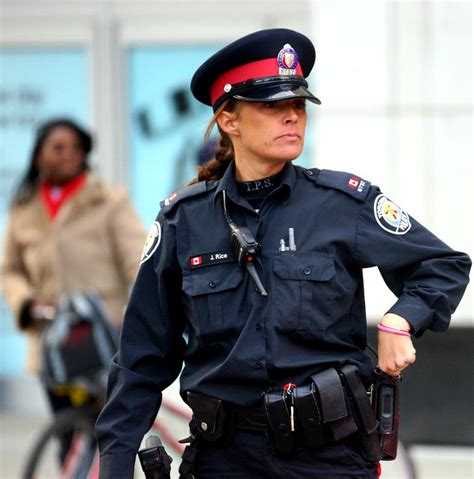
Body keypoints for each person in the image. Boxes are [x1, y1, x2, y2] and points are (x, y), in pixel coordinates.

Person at [95, 28, 471, 478]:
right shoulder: (183, 222)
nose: (292, 117)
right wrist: (114, 465)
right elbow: (141, 359)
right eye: (272, 106)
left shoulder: (341, 203)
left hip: (329, 459)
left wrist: (402, 318)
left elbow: (442, 266)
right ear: (229, 121)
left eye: (297, 105)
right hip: (223, 459)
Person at [1, 118, 146, 429]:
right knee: (67, 435)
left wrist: (134, 315)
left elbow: (139, 261)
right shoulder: (24, 208)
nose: (68, 154)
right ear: (39, 155)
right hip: (52, 341)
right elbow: (9, 270)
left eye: (77, 148)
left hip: (106, 337)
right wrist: (27, 304)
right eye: (58, 148)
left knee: (112, 436)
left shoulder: (109, 201)